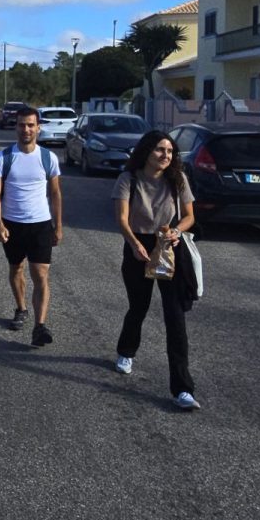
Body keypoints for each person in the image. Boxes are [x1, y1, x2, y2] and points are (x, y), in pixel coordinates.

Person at [113, 131, 201, 410]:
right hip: (138, 244)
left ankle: (182, 388)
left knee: (175, 316)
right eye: (160, 150)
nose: (166, 155)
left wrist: (176, 231)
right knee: (138, 306)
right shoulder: (129, 178)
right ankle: (126, 351)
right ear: (147, 151)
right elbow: (122, 218)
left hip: (168, 245)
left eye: (170, 151)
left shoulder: (178, 179)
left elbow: (190, 216)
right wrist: (135, 244)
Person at [0, 106, 63, 347]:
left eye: (31, 125)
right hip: (12, 224)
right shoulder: (3, 157)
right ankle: (21, 308)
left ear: (38, 128)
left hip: (40, 224)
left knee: (40, 274)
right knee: (16, 269)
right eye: (22, 125)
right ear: (16, 127)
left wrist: (58, 226)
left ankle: (40, 326)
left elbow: (55, 193)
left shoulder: (48, 158)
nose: (26, 129)